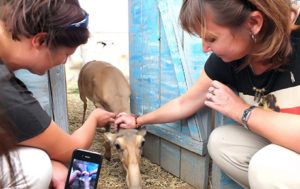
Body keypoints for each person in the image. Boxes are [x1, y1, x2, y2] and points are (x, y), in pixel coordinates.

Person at [115, 0, 300, 188]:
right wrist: (138, 121)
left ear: (253, 23)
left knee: (267, 166)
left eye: (211, 38)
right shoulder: (229, 59)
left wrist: (242, 111)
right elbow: (185, 102)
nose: (205, 48)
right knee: (222, 142)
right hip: (284, 148)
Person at [0, 0, 116, 188]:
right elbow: (70, 150)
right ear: (40, 40)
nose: (64, 62)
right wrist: (93, 119)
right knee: (35, 166)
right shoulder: (6, 92)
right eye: (66, 54)